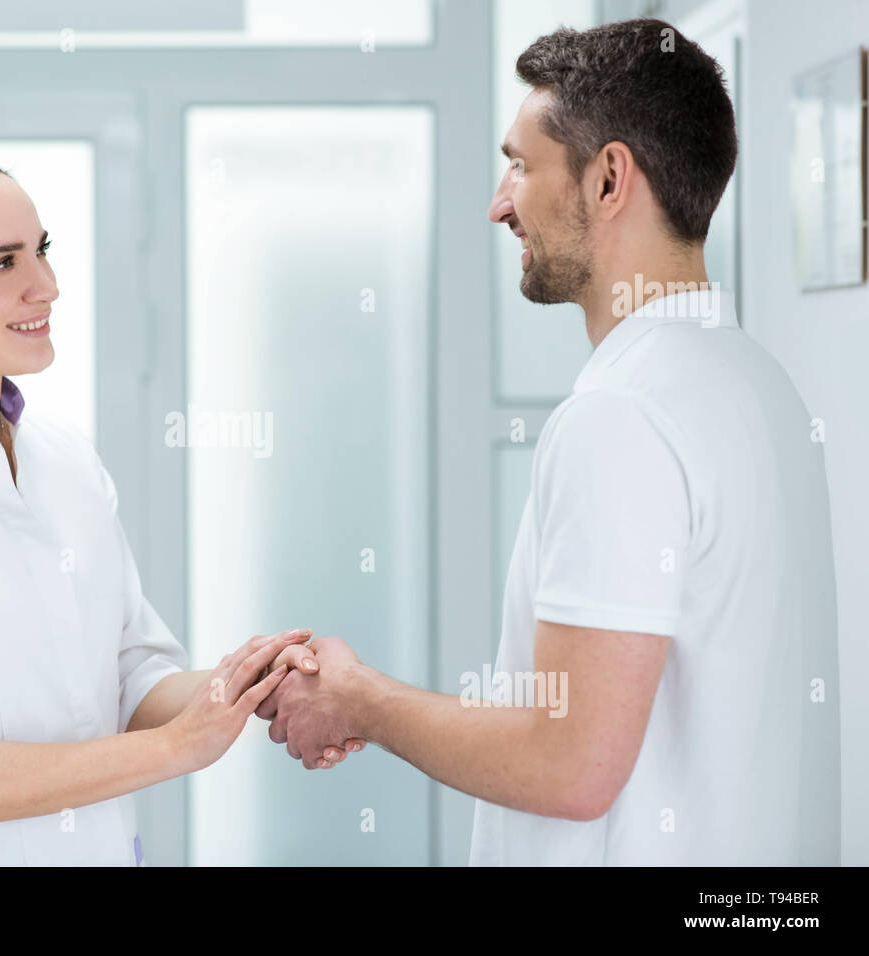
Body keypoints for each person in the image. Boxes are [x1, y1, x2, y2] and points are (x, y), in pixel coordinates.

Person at [256, 19, 841, 865]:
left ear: (609, 180)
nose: (499, 201)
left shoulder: (622, 417)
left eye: (522, 165)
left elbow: (572, 766)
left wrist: (357, 699)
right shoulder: (761, 390)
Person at [0, 154, 361, 866]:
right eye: (0, 265)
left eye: (41, 251)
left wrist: (257, 679)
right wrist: (176, 748)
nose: (45, 286)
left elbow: (132, 677)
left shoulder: (66, 461)